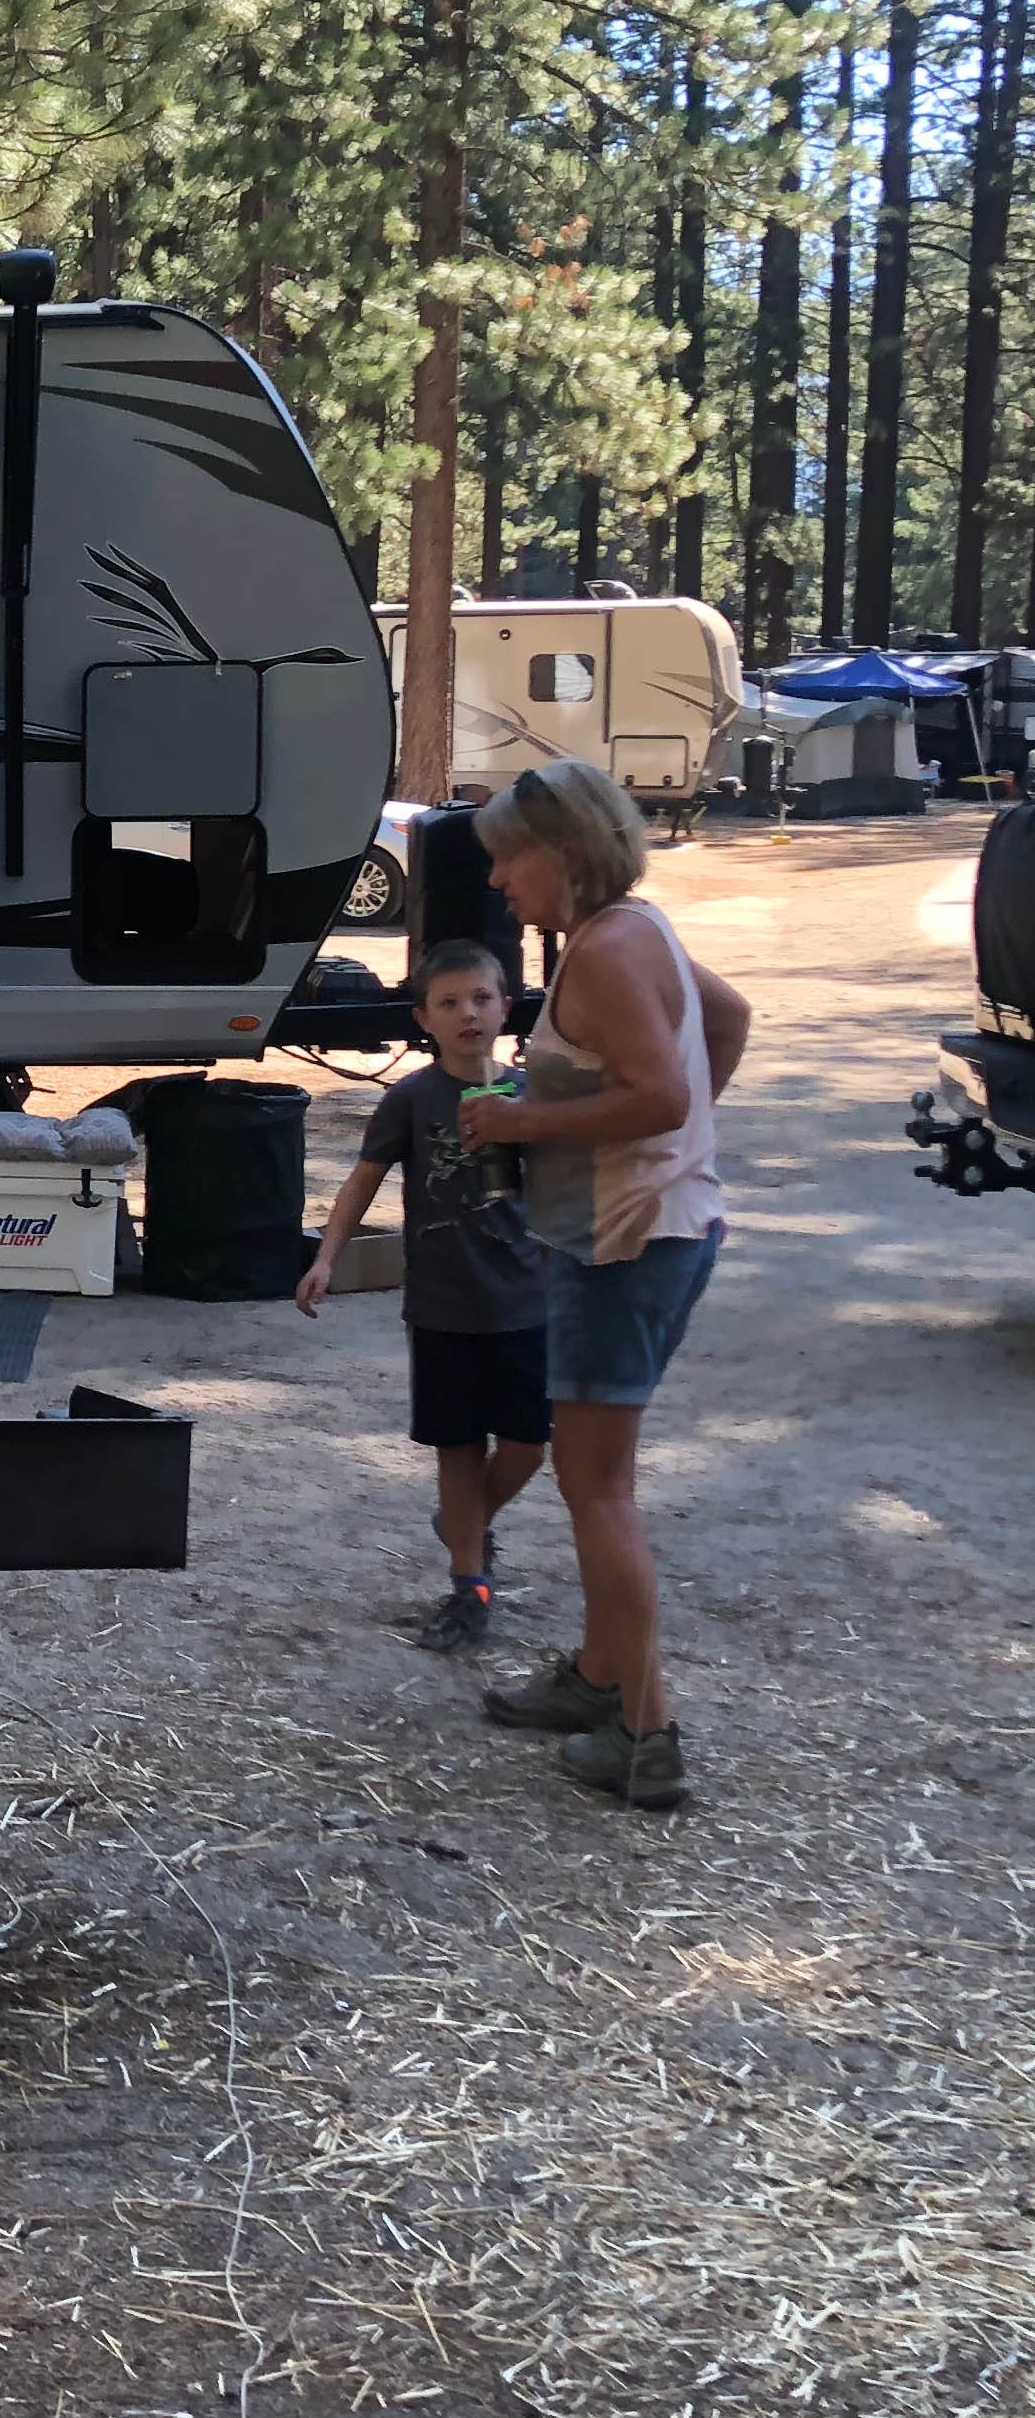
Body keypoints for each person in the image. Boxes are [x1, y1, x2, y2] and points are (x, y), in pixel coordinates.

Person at [459, 759, 748, 1812]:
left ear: (562, 854)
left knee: (599, 1489)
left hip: (622, 1249)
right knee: (601, 1479)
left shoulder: (606, 954)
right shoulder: (637, 929)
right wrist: (659, 1150)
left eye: (507, 860)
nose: (498, 883)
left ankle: (646, 1734)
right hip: (649, 1229)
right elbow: (728, 1022)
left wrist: (521, 1122)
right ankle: (597, 1678)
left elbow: (662, 1095)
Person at [298, 938, 550, 1654]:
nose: (467, 1013)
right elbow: (363, 1181)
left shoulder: (534, 1095)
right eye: (449, 1002)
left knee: (529, 1446)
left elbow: (569, 1193)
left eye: (481, 998)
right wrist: (327, 1257)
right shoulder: (411, 1099)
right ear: (423, 1018)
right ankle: (469, 1586)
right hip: (442, 1307)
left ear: (506, 1007)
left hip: (526, 1301)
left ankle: (462, 1519)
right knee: (457, 1447)